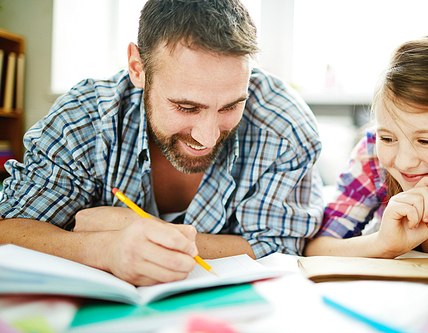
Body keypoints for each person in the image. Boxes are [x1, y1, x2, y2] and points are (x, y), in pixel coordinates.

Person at [0, 0, 324, 286]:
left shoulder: (284, 128)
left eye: (230, 106)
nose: (208, 137)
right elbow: (8, 230)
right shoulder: (85, 118)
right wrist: (104, 248)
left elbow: (281, 247)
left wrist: (141, 228)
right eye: (186, 107)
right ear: (137, 68)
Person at [305, 32, 428, 263]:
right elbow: (317, 248)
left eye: (427, 141)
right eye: (387, 138)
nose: (404, 162)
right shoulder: (372, 153)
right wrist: (384, 243)